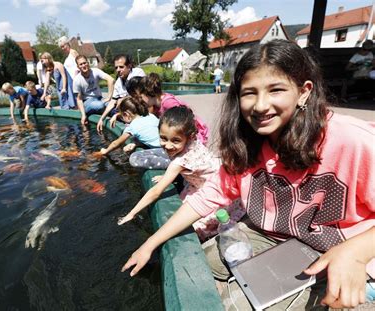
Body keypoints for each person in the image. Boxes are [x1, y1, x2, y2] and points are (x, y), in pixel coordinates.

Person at [121, 40, 375, 310]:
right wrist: (151, 242)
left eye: (276, 89)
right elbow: (208, 196)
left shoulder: (353, 140)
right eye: (249, 93)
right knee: (196, 265)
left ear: (303, 92)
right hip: (276, 238)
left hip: (341, 248)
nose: (261, 106)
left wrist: (357, 252)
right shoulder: (245, 143)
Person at [118, 106, 244, 242]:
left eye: (175, 140)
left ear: (189, 137)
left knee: (190, 226)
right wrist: (167, 176)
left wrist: (131, 213)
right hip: (217, 178)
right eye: (163, 138)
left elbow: (156, 192)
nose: (167, 145)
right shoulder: (192, 142)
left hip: (214, 192)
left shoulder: (180, 162)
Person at [96, 54, 146, 133]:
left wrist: (122, 100)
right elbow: (113, 101)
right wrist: (102, 119)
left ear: (129, 66)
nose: (118, 70)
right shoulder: (118, 82)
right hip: (127, 111)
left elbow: (140, 95)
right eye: (116, 67)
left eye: (121, 67)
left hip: (141, 109)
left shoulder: (138, 73)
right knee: (110, 106)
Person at [73, 55, 115, 125]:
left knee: (112, 104)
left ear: (88, 63)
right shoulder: (77, 80)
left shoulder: (95, 71)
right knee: (100, 105)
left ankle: (119, 118)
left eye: (84, 63)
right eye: (81, 64)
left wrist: (109, 97)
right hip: (87, 102)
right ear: (78, 67)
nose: (83, 65)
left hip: (99, 98)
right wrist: (83, 115)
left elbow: (111, 79)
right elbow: (79, 99)